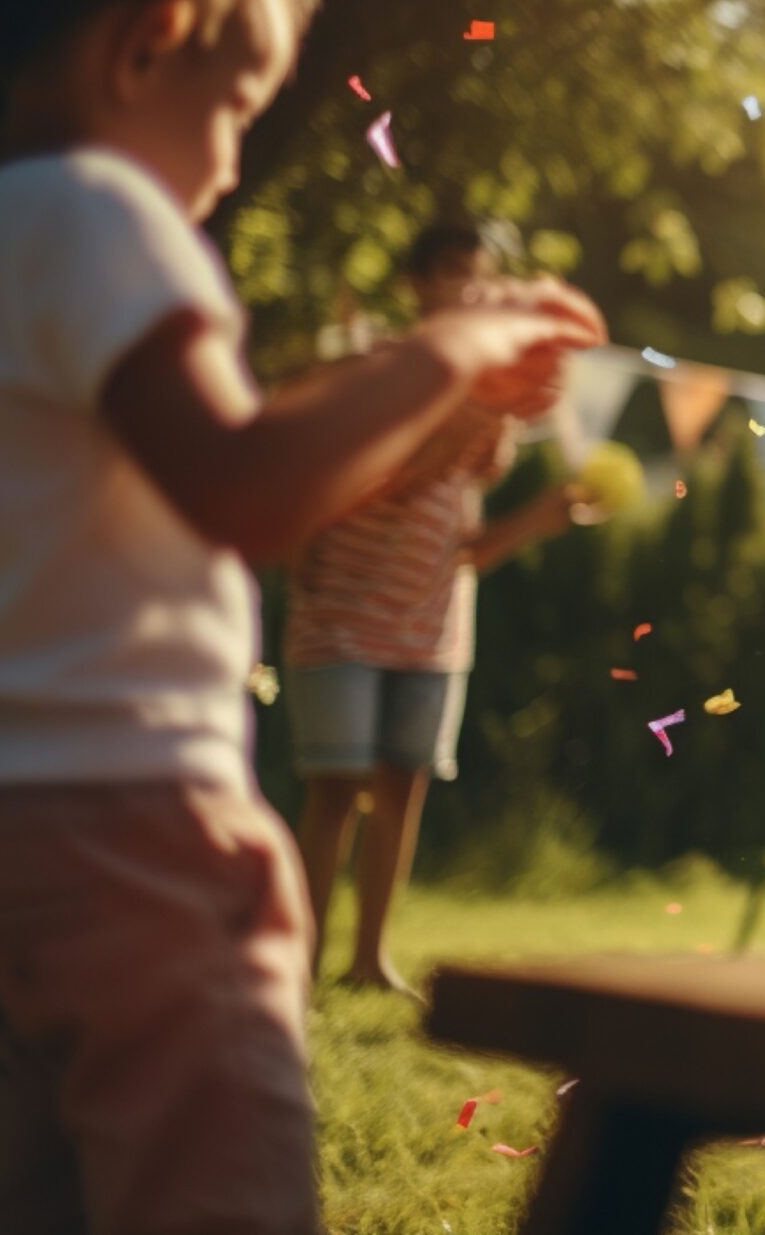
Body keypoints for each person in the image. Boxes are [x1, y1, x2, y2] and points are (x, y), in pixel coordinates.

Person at [0, 0, 602, 1229]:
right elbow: (251, 488)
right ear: (148, 45)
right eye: (233, 102)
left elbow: (237, 458)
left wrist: (434, 403)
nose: (228, 157)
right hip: (129, 840)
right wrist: (447, 351)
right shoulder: (108, 215)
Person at [285, 221, 591, 1000]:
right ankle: (303, 959)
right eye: (456, 272)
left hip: (433, 626)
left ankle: (368, 959)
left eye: (482, 276)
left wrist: (544, 514)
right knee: (335, 788)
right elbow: (378, 479)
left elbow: (466, 546)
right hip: (342, 613)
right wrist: (463, 421)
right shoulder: (378, 370)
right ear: (417, 283)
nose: (470, 290)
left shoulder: (494, 409)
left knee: (400, 787)